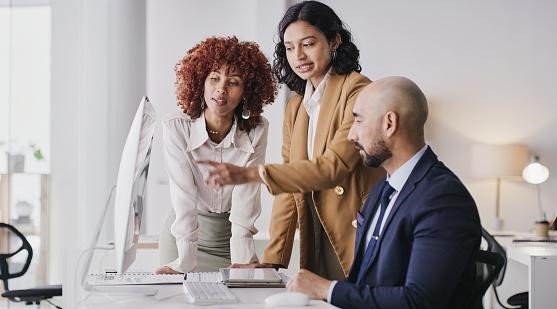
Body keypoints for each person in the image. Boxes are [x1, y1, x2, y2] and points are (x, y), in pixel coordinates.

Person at [199, 1, 384, 280]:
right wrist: (273, 260)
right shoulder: (296, 107)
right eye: (289, 47)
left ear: (334, 41)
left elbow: (335, 166)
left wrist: (254, 174)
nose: (298, 55)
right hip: (316, 233)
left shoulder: (357, 89)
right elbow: (289, 189)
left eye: (308, 44)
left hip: (354, 231)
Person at [285, 76, 482, 309]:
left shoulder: (443, 200)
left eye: (358, 121)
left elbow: (418, 302)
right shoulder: (382, 189)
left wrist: (326, 288)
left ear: (389, 123)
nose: (351, 136)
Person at [156, 36, 277, 274]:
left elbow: (247, 196)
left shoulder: (257, 130)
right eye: (214, 78)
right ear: (200, 81)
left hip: (228, 241)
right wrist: (184, 263)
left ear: (246, 91)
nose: (221, 89)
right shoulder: (176, 127)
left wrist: (242, 258)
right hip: (182, 238)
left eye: (233, 82)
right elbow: (183, 197)